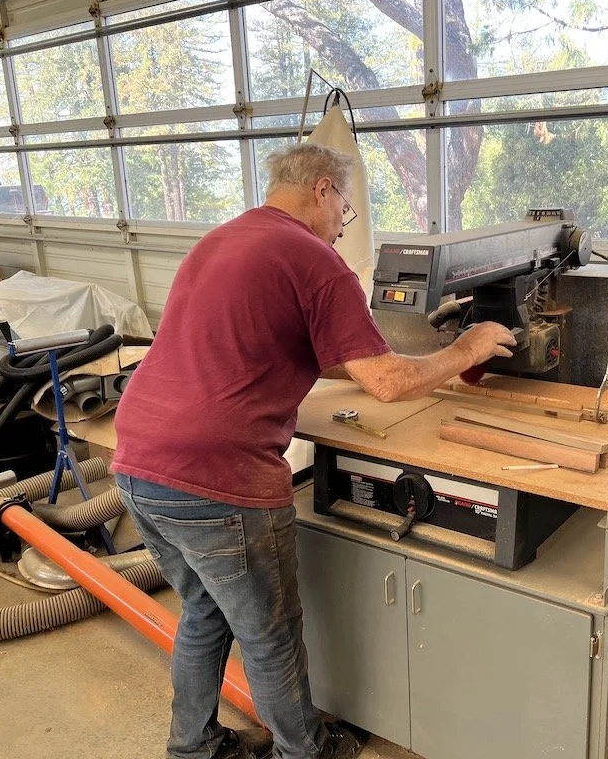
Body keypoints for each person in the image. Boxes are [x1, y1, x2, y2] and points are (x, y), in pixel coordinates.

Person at [111, 142, 516, 759]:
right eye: (345, 208)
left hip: (139, 459)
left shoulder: (221, 241)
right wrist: (467, 349)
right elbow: (385, 383)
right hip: (218, 476)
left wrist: (405, 364)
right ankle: (305, 751)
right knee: (269, 635)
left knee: (203, 611)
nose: (343, 224)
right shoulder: (314, 259)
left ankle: (194, 748)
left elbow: (284, 346)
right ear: (323, 189)